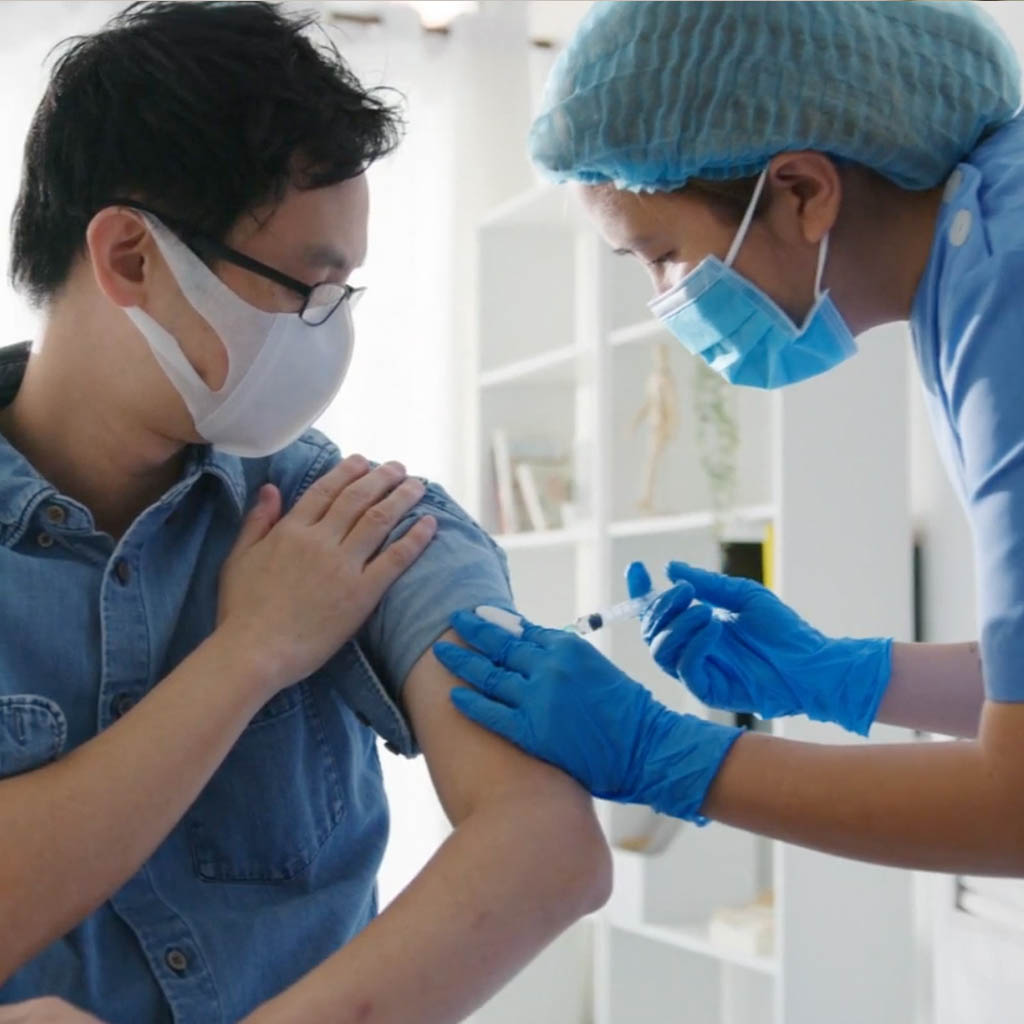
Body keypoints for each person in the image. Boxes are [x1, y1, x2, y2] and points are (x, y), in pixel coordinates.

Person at [0, 4, 610, 1022]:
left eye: (347, 292)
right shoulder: (302, 573)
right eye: (306, 286)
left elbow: (546, 849)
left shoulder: (355, 518)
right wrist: (252, 653)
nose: (328, 333)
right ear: (131, 259)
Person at [436, 0, 1024, 878]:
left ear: (802, 191)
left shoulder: (1005, 298)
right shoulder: (971, 264)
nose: (666, 297)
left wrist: (666, 757)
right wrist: (838, 675)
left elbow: (1012, 811)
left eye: (664, 254)